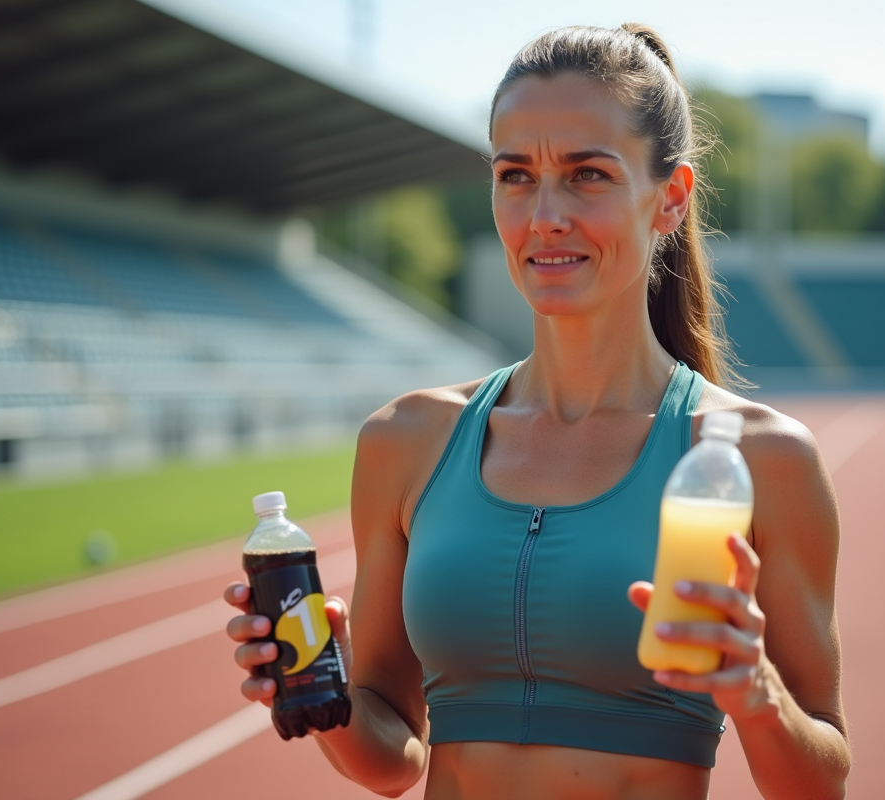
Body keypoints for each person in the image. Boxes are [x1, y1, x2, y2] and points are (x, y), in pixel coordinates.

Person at [225, 23, 848, 799]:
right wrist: (322, 690)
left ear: (670, 200)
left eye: (587, 174)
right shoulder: (405, 442)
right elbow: (394, 759)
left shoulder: (758, 458)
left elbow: (820, 783)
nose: (543, 214)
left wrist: (760, 695)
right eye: (515, 175)